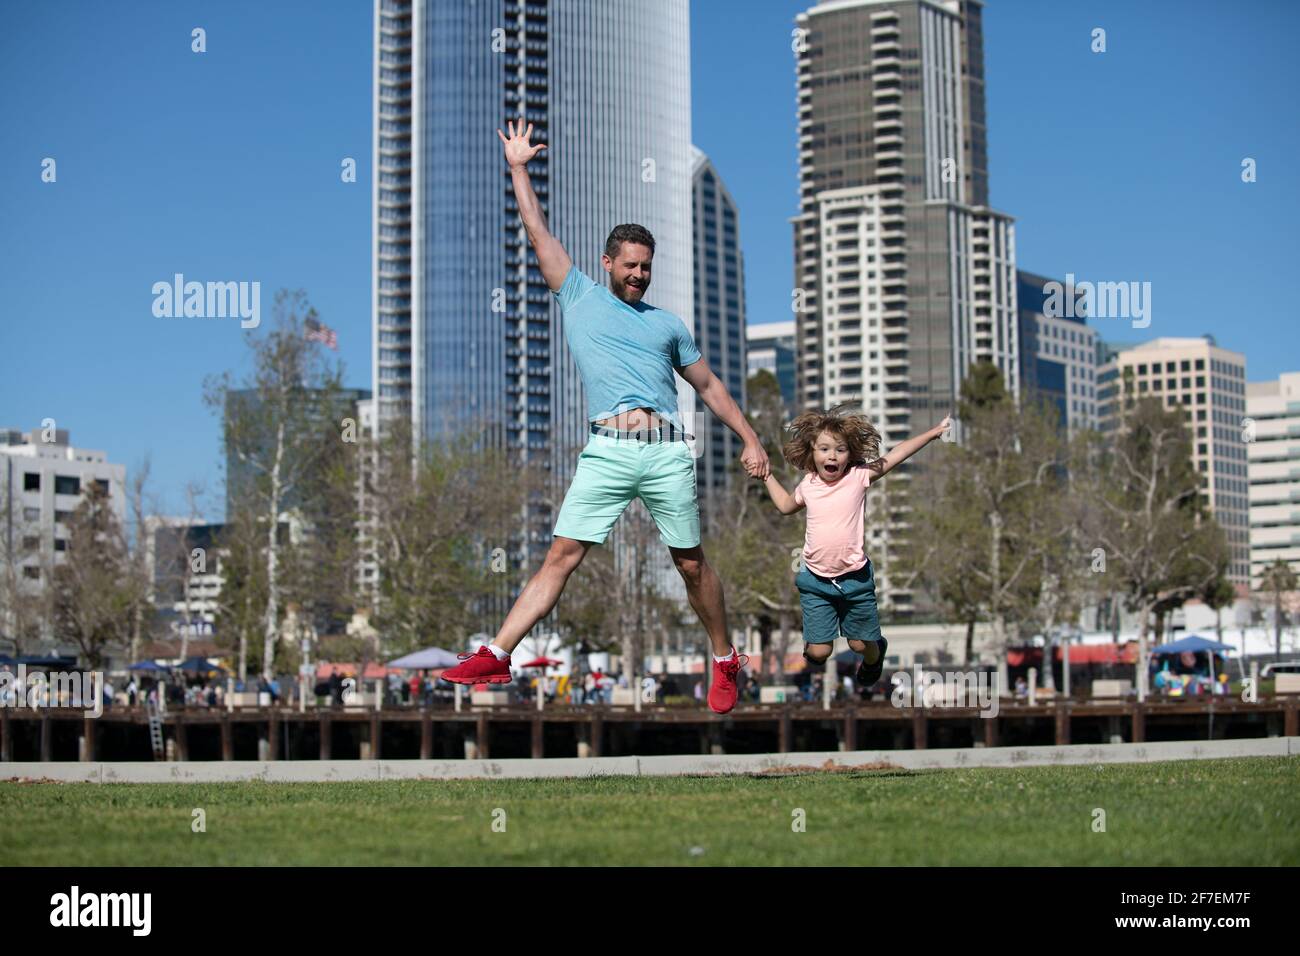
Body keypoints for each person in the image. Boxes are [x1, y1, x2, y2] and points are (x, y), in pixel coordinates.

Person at [439, 119, 770, 715]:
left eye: (647, 266)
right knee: (560, 558)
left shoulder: (669, 324)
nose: (640, 274)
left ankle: (723, 657)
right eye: (631, 265)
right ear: (607, 261)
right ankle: (497, 652)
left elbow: (709, 385)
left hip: (667, 449)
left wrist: (749, 438)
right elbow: (536, 229)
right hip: (606, 451)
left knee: (690, 564)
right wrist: (518, 168)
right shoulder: (577, 294)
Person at [758, 408, 950, 691]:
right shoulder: (809, 484)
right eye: (824, 449)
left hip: (855, 580)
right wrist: (765, 476)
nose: (832, 456)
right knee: (818, 654)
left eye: (840, 449)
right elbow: (786, 506)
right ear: (812, 453)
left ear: (850, 454)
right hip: (815, 580)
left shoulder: (858, 477)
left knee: (860, 644)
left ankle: (876, 655)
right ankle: (817, 642)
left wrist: (933, 433)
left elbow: (897, 454)